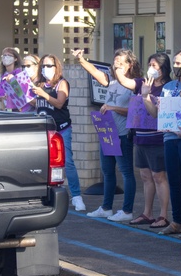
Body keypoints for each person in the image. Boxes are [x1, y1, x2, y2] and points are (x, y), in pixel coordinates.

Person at [75, 48, 139, 223]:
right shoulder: (111, 82)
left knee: (126, 172)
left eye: (120, 61)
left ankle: (127, 210)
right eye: (115, 59)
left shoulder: (134, 85)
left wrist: (113, 108)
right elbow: (95, 72)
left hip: (122, 134)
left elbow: (134, 112)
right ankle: (106, 207)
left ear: (129, 64)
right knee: (107, 172)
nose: (116, 63)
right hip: (108, 133)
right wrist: (81, 59)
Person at [145, 49, 181, 236]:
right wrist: (150, 100)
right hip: (170, 137)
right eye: (174, 63)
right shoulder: (169, 87)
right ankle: (177, 221)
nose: (176, 66)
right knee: (174, 181)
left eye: (179, 63)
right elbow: (158, 115)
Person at [116, 53, 171, 229]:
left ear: (163, 68)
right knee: (145, 176)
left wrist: (147, 96)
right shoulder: (142, 83)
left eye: (155, 65)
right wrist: (118, 67)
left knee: (159, 176)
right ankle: (147, 213)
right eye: (149, 65)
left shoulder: (168, 88)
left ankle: (163, 215)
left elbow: (156, 112)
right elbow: (125, 82)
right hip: (140, 136)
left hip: (157, 138)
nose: (151, 69)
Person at [31, 54, 85, 211]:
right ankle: (44, 194)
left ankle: (76, 196)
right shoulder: (39, 83)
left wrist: (45, 95)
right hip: (43, 129)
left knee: (67, 162)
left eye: (49, 66)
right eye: (43, 66)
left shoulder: (61, 83)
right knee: (43, 162)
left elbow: (60, 103)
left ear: (56, 67)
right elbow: (38, 103)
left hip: (61, 128)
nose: (45, 69)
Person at [0, 47, 34, 112]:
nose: (6, 57)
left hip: (18, 110)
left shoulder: (20, 73)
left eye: (9, 55)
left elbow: (21, 93)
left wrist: (12, 81)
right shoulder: (2, 75)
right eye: (4, 55)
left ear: (15, 59)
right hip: (4, 109)